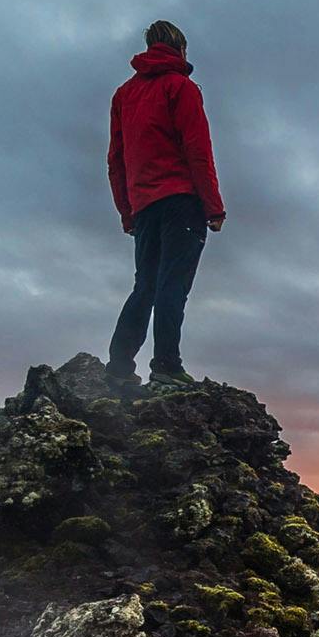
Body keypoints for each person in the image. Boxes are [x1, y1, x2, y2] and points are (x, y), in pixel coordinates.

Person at [106, 20, 225, 386]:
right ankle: (167, 367)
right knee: (173, 283)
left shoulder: (124, 95)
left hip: (144, 206)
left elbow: (116, 159)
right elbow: (197, 150)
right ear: (181, 50)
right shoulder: (182, 88)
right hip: (181, 201)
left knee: (145, 284)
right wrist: (213, 206)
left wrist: (128, 211)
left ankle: (119, 368)